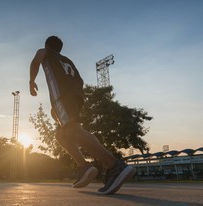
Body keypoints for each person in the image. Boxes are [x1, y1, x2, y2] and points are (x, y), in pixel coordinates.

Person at [29, 36, 136, 195]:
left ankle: (114, 166)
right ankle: (83, 166)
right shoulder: (68, 62)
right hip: (74, 98)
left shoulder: (45, 52)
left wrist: (31, 81)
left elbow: (35, 61)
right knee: (61, 135)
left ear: (47, 46)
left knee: (73, 131)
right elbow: (79, 82)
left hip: (63, 97)